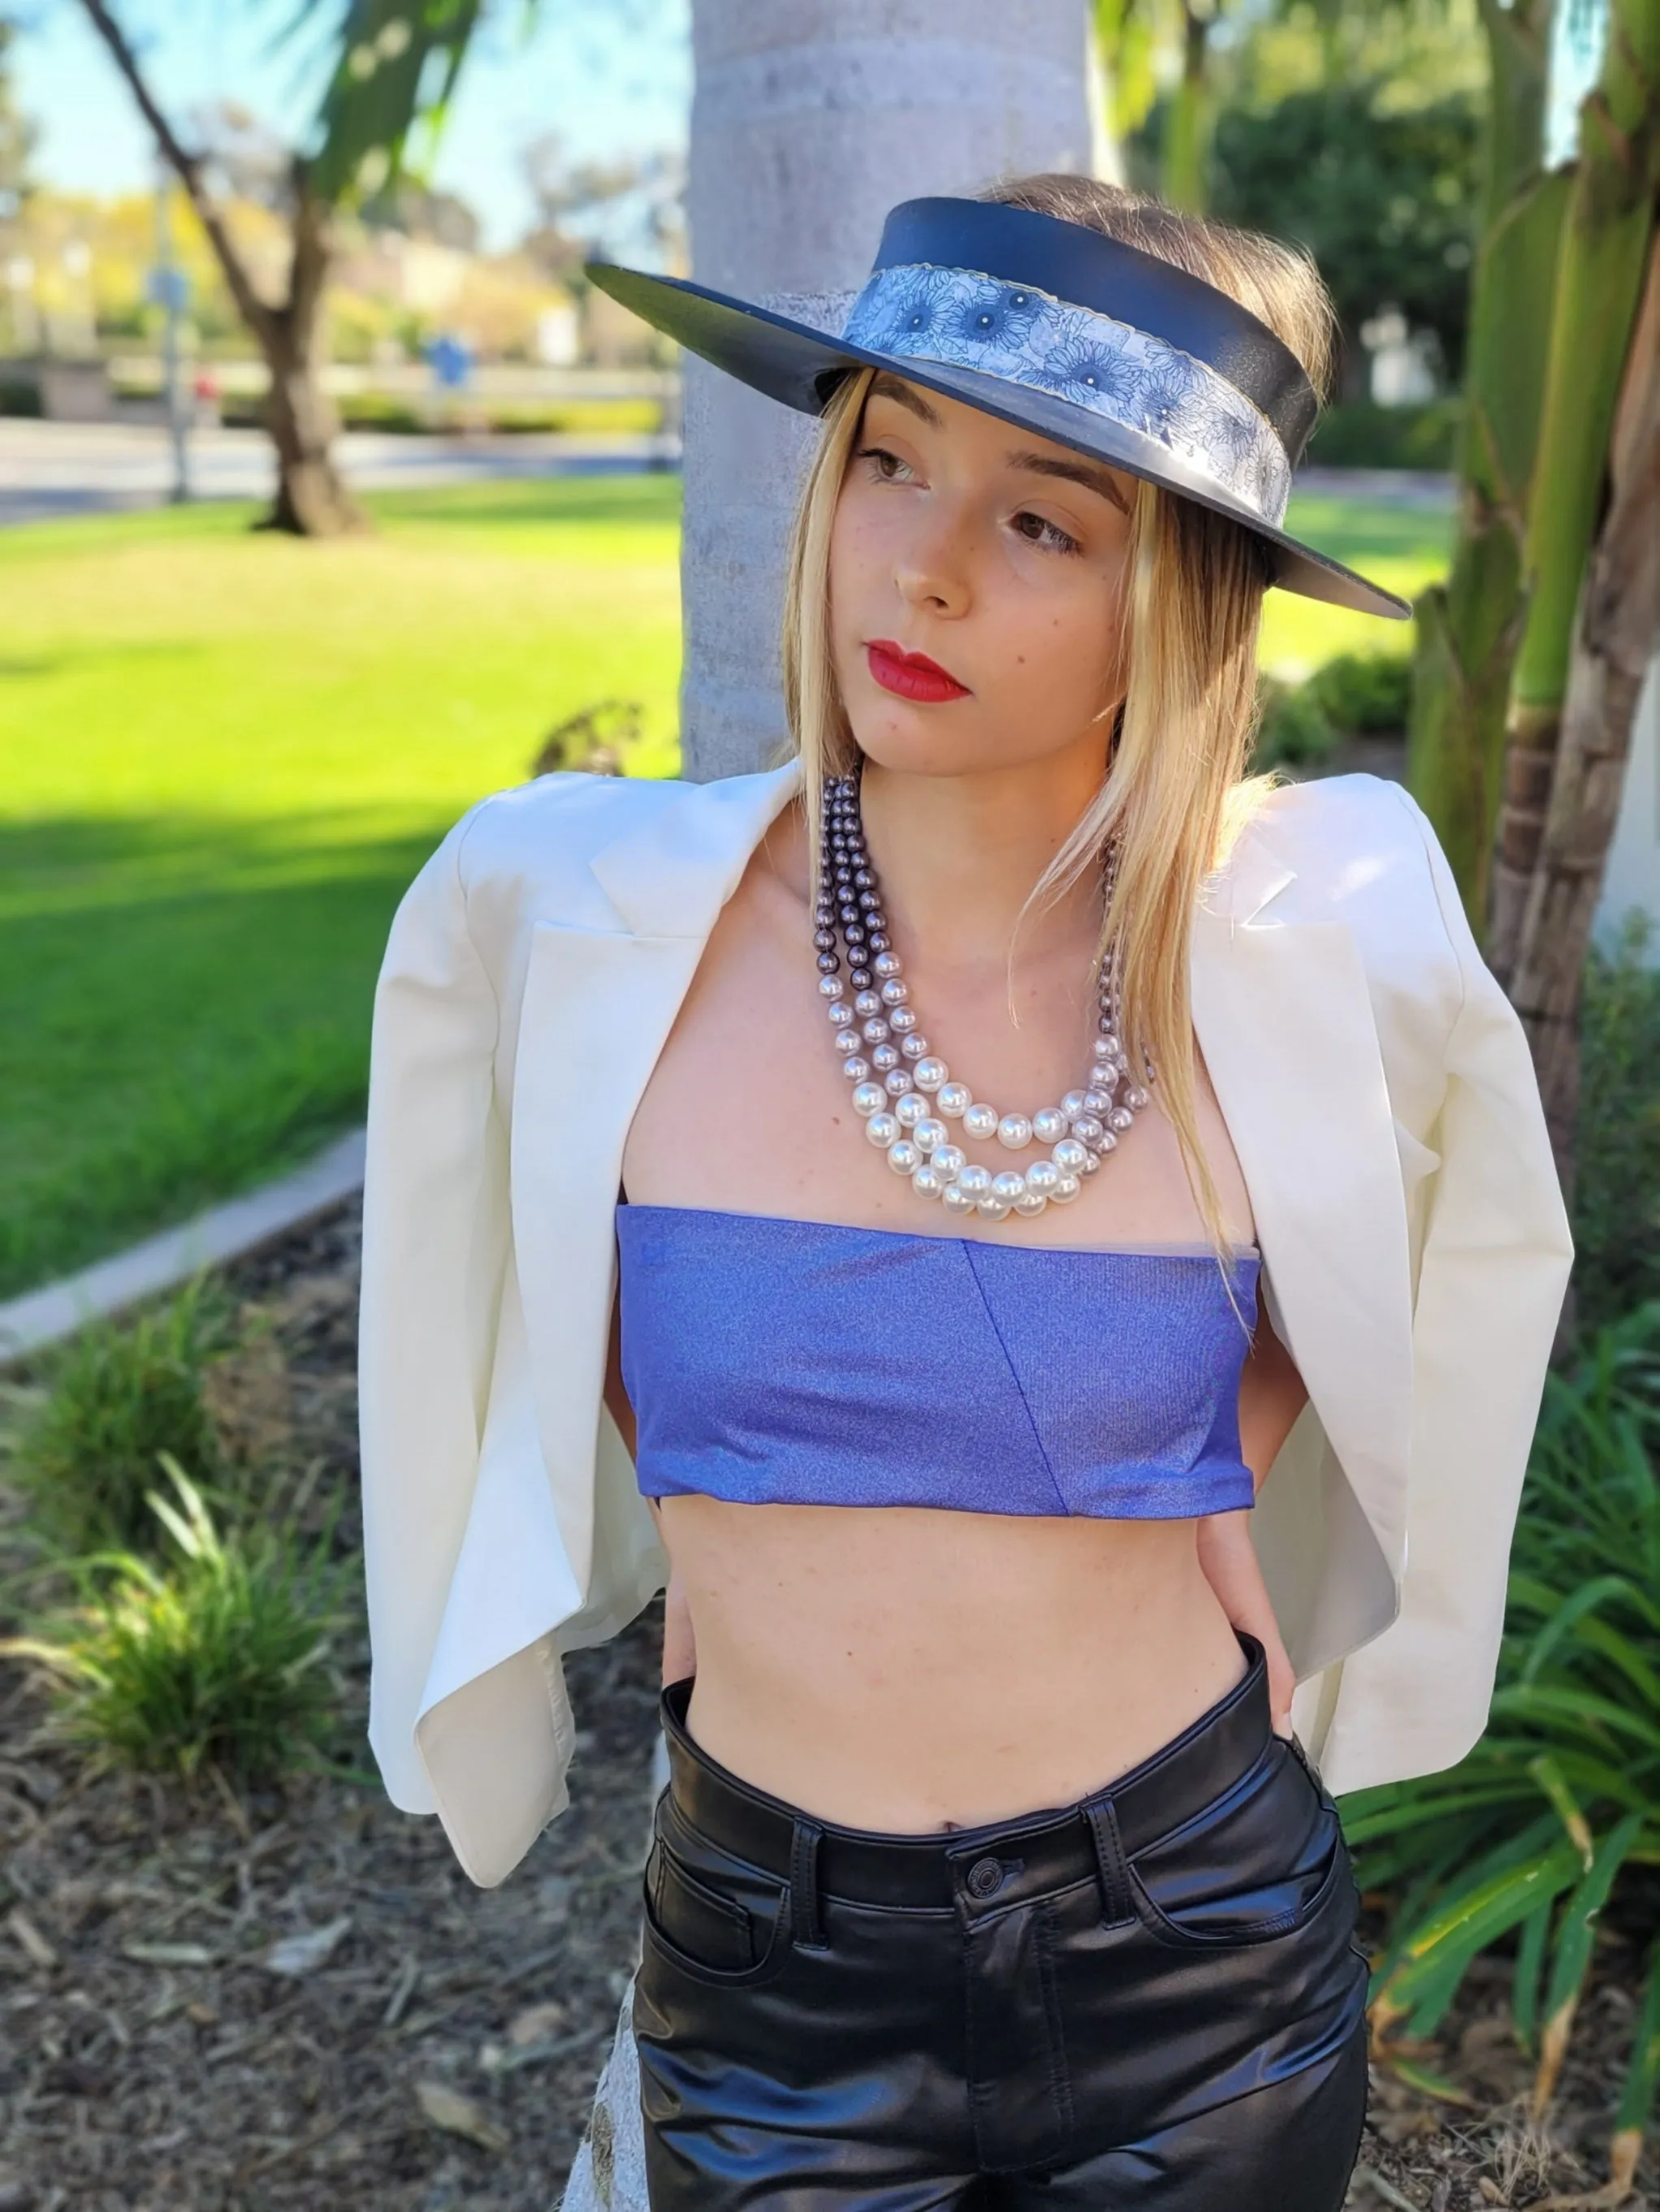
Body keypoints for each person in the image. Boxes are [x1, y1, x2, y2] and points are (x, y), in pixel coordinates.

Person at [357, 176, 1574, 2210]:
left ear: (1174, 600)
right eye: (886, 464)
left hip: (1195, 1947)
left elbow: (1431, 1237)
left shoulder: (1290, 945)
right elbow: (511, 1311)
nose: (916, 574)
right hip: (772, 1977)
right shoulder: (584, 928)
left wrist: (1207, 1452)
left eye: (1037, 520)